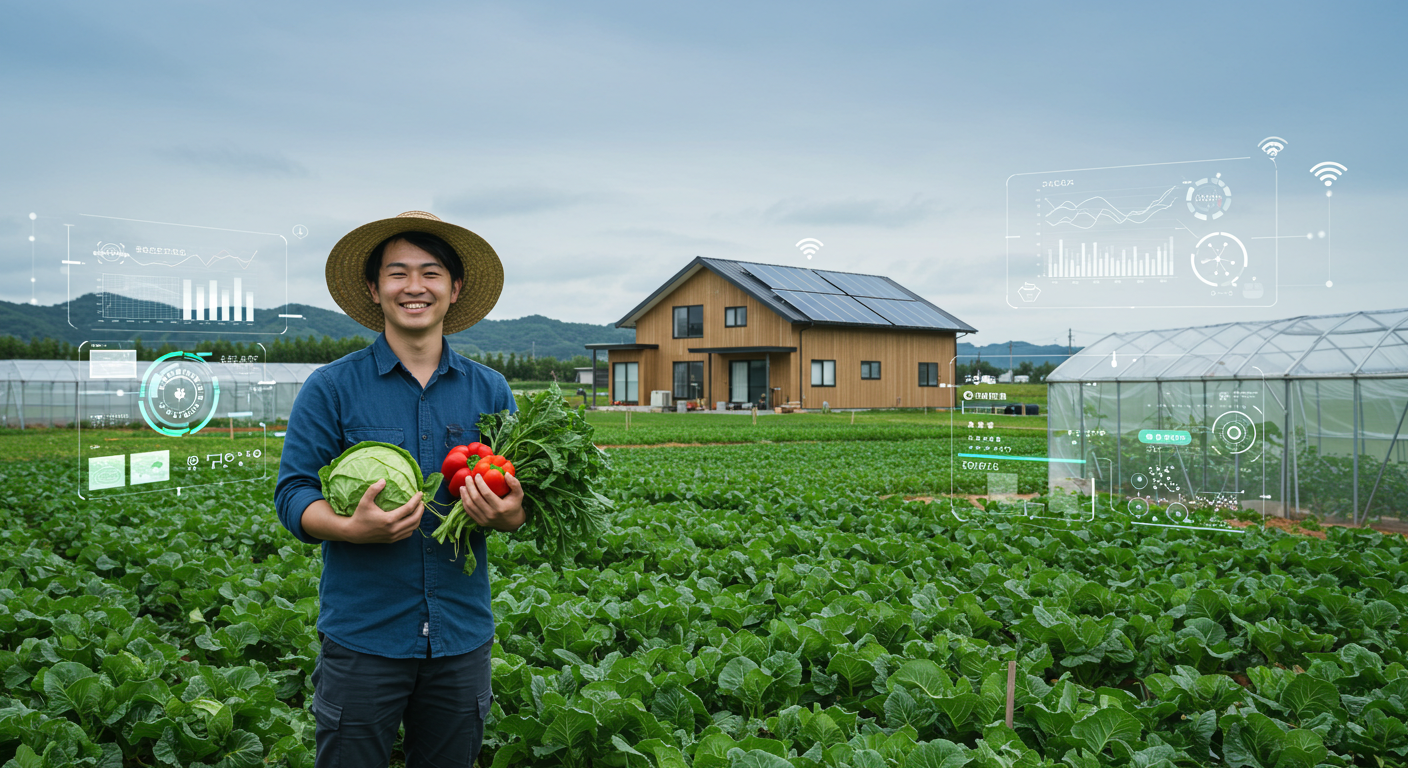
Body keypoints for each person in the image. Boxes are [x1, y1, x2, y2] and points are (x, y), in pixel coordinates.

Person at [275, 211, 524, 767]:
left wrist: (511, 515)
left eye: (431, 273)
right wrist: (348, 528)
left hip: (460, 637)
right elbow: (292, 493)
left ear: (455, 289)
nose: (415, 287)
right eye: (398, 273)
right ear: (374, 288)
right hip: (364, 637)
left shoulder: (491, 390)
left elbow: (518, 497)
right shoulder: (332, 388)